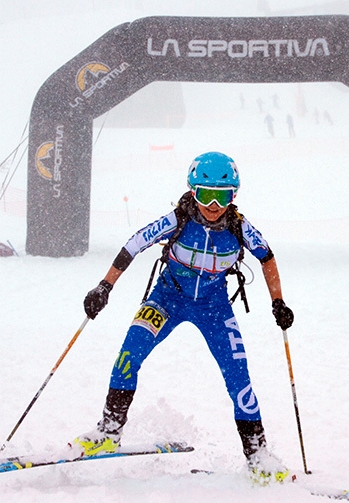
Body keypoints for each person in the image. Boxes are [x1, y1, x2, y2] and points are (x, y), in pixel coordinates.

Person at [75, 152, 295, 482]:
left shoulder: (239, 227)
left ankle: (258, 454)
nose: (213, 205)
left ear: (234, 196)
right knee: (128, 354)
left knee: (239, 378)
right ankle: (109, 431)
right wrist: (104, 286)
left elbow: (267, 257)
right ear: (192, 191)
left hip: (214, 307)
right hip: (167, 299)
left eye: (223, 196)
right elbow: (134, 245)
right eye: (206, 194)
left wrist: (277, 302)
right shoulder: (178, 220)